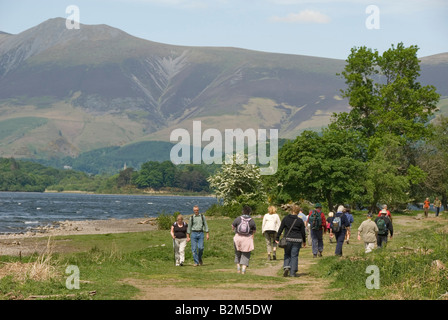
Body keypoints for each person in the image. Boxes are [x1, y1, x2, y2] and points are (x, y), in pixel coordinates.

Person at [275, 206, 307, 277]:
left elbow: (281, 228)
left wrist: (277, 238)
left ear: (291, 211)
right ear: (298, 212)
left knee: (287, 254)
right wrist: (304, 241)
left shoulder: (286, 219)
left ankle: (286, 266)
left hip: (288, 239)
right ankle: (292, 272)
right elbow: (303, 232)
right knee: (294, 255)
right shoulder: (300, 220)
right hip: (297, 240)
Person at [232, 205, 257, 274]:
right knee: (246, 254)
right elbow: (254, 230)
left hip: (237, 238)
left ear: (242, 211)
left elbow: (233, 226)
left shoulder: (238, 218)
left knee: (237, 253)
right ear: (250, 212)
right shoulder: (251, 220)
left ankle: (238, 268)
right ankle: (243, 270)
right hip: (247, 239)